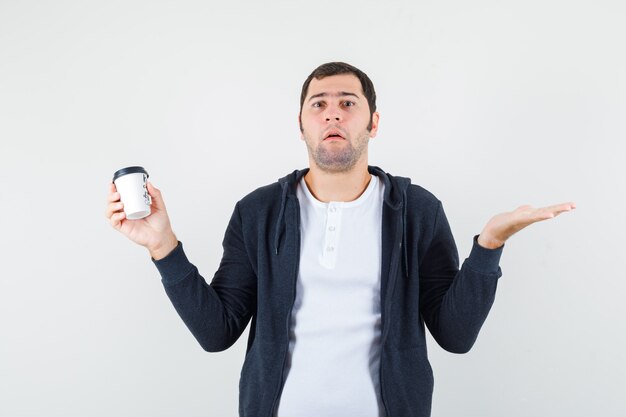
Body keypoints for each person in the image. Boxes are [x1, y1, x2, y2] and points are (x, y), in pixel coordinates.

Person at [105, 62, 575, 417]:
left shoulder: (417, 210)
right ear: (301, 124)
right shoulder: (258, 211)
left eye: (348, 103)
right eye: (319, 104)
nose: (333, 114)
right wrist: (162, 247)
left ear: (373, 122)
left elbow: (455, 336)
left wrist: (488, 248)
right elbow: (217, 332)